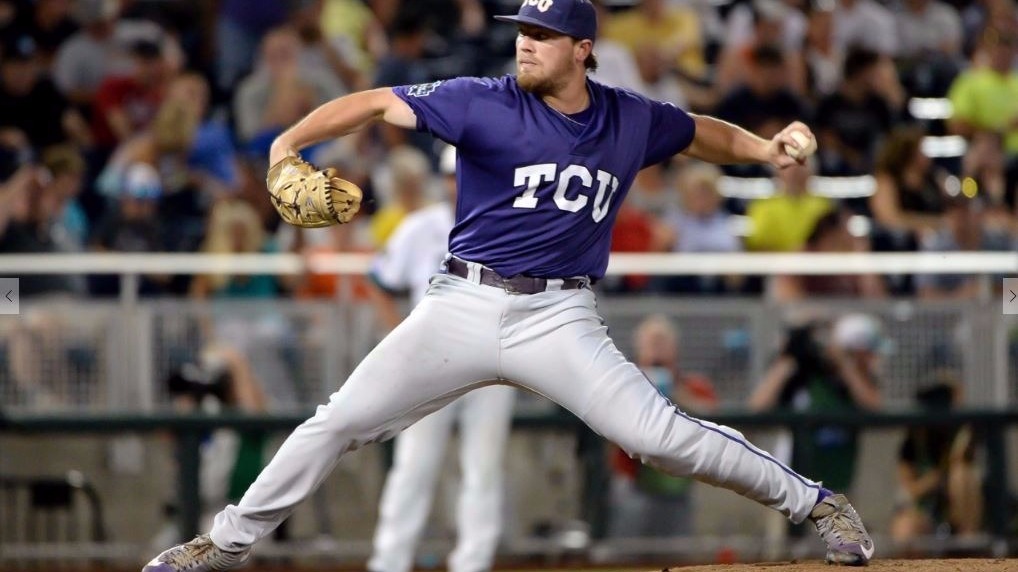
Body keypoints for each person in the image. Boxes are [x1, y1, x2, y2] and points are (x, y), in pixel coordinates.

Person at [141, 2, 874, 570]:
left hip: (559, 315)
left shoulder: (628, 117)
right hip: (460, 303)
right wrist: (287, 143)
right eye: (522, 29)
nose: (525, 42)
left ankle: (817, 504)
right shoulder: (479, 99)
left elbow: (698, 131)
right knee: (337, 423)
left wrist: (763, 148)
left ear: (582, 49)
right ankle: (223, 544)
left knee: (658, 438)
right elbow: (369, 101)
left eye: (543, 34)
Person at [366, 144, 517, 572]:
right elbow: (379, 280)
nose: (459, 182)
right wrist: (401, 335)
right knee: (415, 464)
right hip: (432, 361)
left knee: (483, 467)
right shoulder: (421, 227)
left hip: (493, 363)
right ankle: (389, 562)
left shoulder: (510, 227)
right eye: (454, 175)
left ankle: (473, 562)